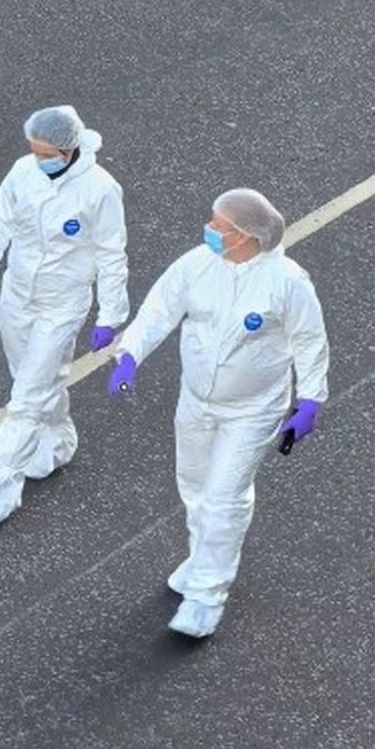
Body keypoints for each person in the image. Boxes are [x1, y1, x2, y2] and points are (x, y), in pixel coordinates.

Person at [108, 188, 328, 638]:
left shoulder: (286, 282)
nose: (209, 230)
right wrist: (129, 354)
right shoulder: (196, 265)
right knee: (194, 487)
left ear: (247, 237)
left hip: (252, 410)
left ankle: (207, 595)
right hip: (196, 401)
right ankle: (202, 557)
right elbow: (158, 311)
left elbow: (309, 341)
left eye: (219, 226)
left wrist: (310, 400)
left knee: (224, 497)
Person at [0, 106, 129, 524]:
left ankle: (4, 481)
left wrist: (111, 314)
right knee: (30, 378)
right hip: (17, 296)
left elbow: (111, 255)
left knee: (28, 394)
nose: (40, 158)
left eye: (47, 152)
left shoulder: (100, 190)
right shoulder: (22, 173)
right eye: (35, 150)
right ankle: (57, 441)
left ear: (69, 149)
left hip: (62, 303)